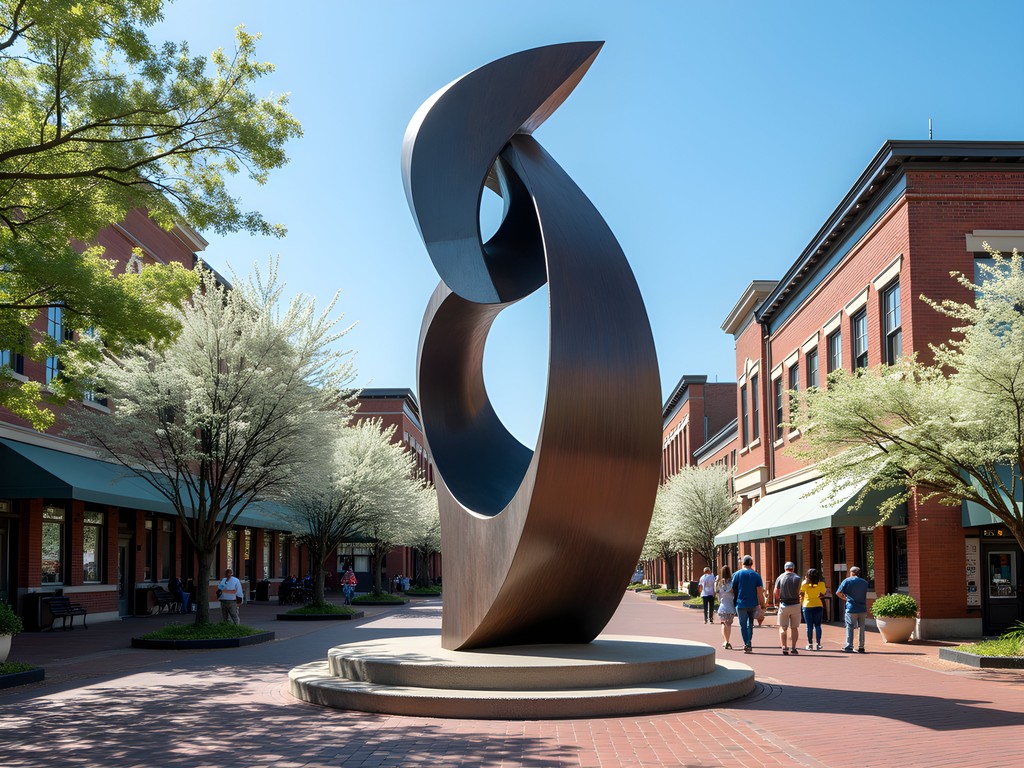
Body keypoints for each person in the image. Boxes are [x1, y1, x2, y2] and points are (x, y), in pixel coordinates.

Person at [731, 555, 765, 654]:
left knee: (742, 625)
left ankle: (746, 642)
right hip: (753, 603)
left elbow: (732, 588)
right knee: (750, 624)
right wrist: (762, 604)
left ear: (743, 563)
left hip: (741, 603)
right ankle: (749, 642)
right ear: (752, 563)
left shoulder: (737, 574)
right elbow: (759, 591)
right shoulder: (756, 575)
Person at [836, 565, 869, 653]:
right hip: (862, 608)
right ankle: (861, 646)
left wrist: (845, 598)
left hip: (851, 608)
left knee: (849, 627)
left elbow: (838, 592)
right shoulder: (864, 582)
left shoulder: (847, 581)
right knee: (862, 627)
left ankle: (849, 646)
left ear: (851, 572)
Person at [774, 561, 802, 655]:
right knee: (794, 627)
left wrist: (777, 601)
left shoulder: (780, 577)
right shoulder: (797, 578)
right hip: (795, 604)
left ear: (785, 568)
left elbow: (776, 592)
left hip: (784, 604)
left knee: (783, 627)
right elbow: (799, 591)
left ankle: (784, 646)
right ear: (793, 568)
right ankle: (794, 648)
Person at [800, 568, 827, 650]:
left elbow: (801, 593)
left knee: (809, 626)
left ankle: (810, 644)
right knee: (818, 625)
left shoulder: (805, 583)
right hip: (818, 605)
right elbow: (823, 594)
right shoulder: (821, 583)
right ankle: (818, 644)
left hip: (807, 605)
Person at [715, 565, 737, 650]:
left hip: (722, 606)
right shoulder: (732, 583)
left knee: (723, 624)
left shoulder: (719, 583)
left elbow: (717, 594)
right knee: (728, 625)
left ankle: (725, 641)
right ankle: (727, 641)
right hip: (730, 607)